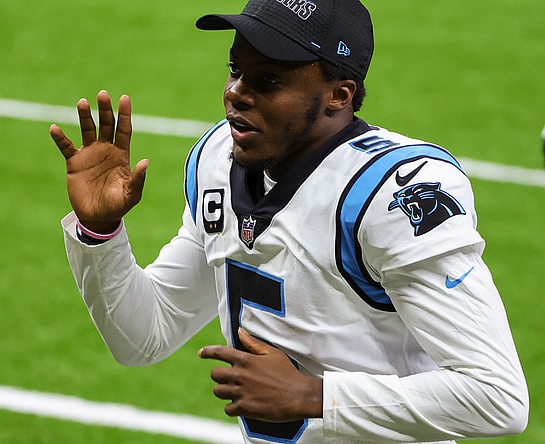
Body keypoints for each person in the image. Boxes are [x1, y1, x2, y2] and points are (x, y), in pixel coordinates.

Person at [49, 0, 529, 442]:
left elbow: (497, 397)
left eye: (268, 80)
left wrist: (312, 396)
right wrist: (101, 233)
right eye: (236, 71)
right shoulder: (217, 160)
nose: (236, 93)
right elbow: (144, 336)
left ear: (339, 95)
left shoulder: (391, 195)